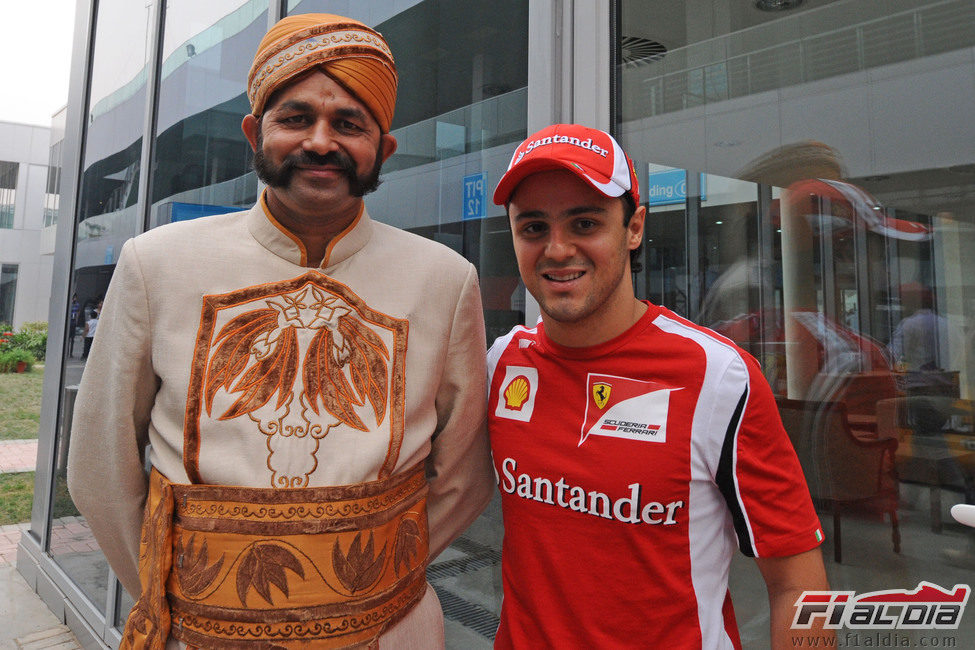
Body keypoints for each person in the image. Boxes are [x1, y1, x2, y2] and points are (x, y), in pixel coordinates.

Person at [67, 13, 493, 649]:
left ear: (385, 147)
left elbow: (464, 475)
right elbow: (101, 469)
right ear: (253, 132)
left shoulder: (445, 278)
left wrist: (369, 579)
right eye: (295, 118)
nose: (320, 142)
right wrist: (181, 598)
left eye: (349, 124)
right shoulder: (156, 263)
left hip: (391, 631)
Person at [486, 124, 833, 649]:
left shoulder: (718, 376)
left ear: (634, 228)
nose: (557, 249)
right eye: (533, 227)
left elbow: (797, 588)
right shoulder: (500, 363)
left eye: (585, 222)